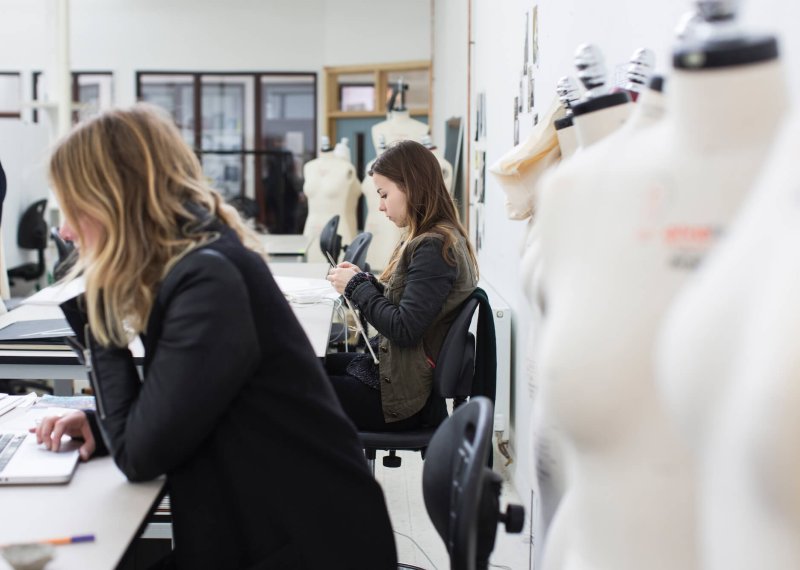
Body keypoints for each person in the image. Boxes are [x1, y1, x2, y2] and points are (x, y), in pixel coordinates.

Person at [32, 103, 397, 570]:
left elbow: (140, 456)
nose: (63, 230)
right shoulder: (202, 262)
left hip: (306, 546)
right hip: (278, 530)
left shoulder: (207, 281)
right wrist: (103, 426)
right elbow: (182, 406)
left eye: (71, 208)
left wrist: (97, 310)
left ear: (114, 201)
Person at [325, 140, 478, 431]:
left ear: (411, 186)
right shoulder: (437, 237)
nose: (380, 206)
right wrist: (365, 282)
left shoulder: (433, 246)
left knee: (289, 389)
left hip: (402, 398)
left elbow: (404, 329)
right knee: (306, 367)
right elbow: (412, 309)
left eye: (384, 194)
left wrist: (357, 286)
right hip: (403, 378)